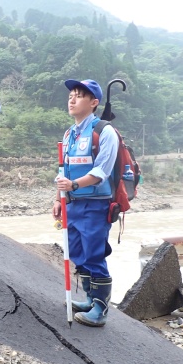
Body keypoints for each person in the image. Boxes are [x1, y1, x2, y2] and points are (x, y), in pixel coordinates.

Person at [53, 79, 118, 327]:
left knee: (94, 253)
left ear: (93, 103)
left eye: (79, 96)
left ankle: (100, 308)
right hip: (72, 203)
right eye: (71, 95)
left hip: (96, 204)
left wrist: (75, 186)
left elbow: (102, 170)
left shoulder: (104, 131)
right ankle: (91, 298)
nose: (72, 99)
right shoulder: (70, 133)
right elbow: (64, 170)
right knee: (77, 253)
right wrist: (59, 199)